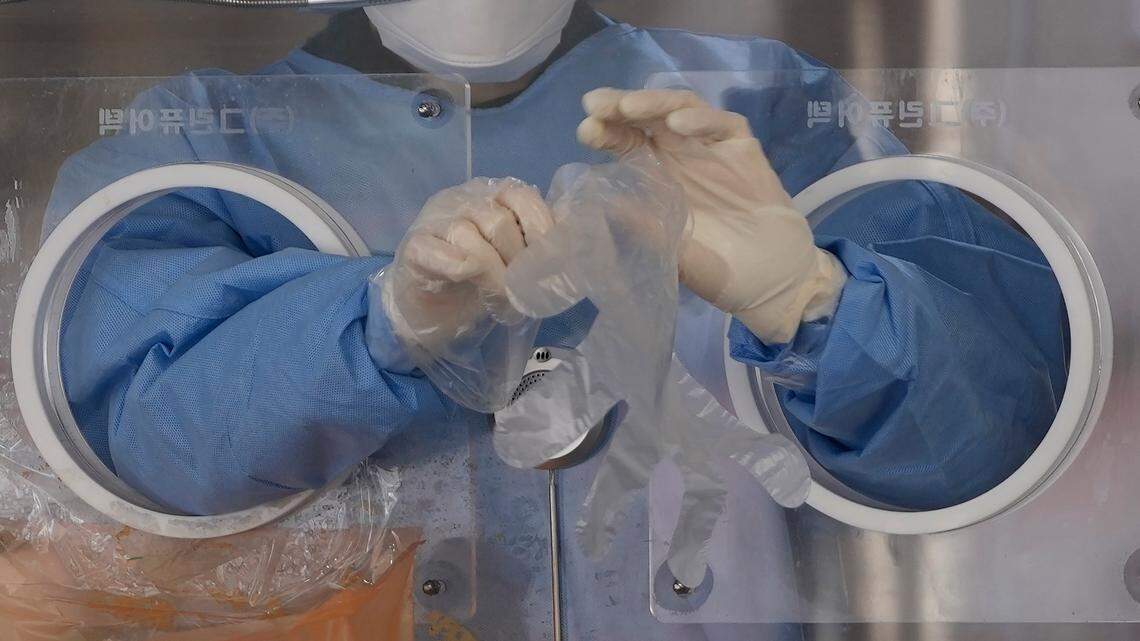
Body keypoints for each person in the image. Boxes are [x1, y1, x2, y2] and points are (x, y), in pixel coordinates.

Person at [46, 0, 1066, 520]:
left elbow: (997, 442)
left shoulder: (759, 105)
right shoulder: (202, 138)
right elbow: (136, 448)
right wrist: (383, 323)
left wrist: (815, 301)